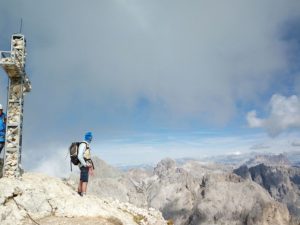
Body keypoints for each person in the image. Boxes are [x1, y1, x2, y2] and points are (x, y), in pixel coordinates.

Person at [77, 131, 94, 196]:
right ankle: (83, 194)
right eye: (91, 137)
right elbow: (79, 156)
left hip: (83, 164)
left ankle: (79, 193)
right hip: (83, 165)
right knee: (85, 180)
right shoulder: (83, 144)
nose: (91, 139)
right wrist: (85, 164)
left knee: (82, 179)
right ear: (89, 138)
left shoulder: (85, 144)